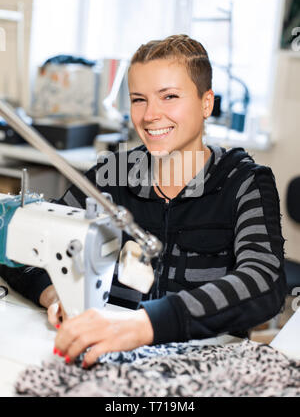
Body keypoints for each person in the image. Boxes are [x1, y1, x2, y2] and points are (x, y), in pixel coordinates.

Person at [0, 34, 287, 368]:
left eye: (169, 96)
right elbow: (21, 247)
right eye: (139, 99)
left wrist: (144, 325)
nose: (150, 115)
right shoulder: (110, 174)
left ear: (206, 103)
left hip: (204, 365)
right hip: (108, 360)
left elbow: (264, 282)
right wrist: (54, 292)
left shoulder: (245, 181)